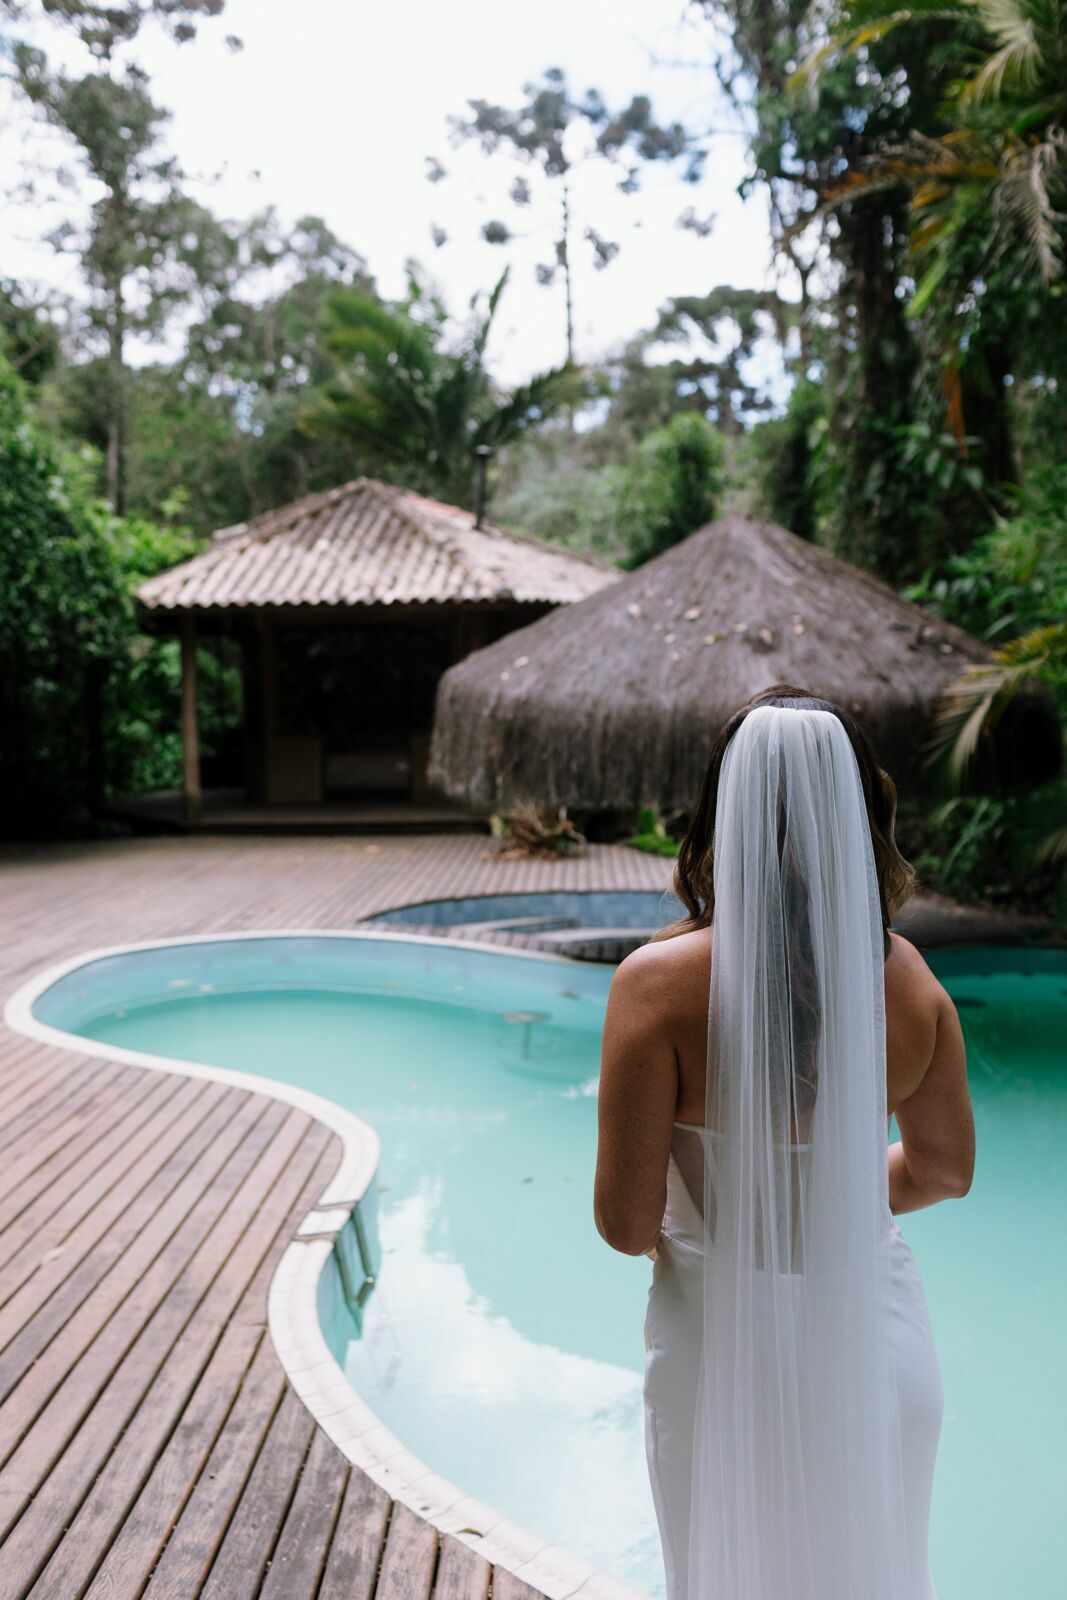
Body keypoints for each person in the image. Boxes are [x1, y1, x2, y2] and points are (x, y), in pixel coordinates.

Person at [594, 685, 975, 1600]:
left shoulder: (654, 987)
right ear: (858, 812)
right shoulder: (910, 983)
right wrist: (827, 1187)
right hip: (874, 1344)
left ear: (718, 814)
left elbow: (624, 1220)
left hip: (718, 1350)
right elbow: (942, 1171)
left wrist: (733, 1208)